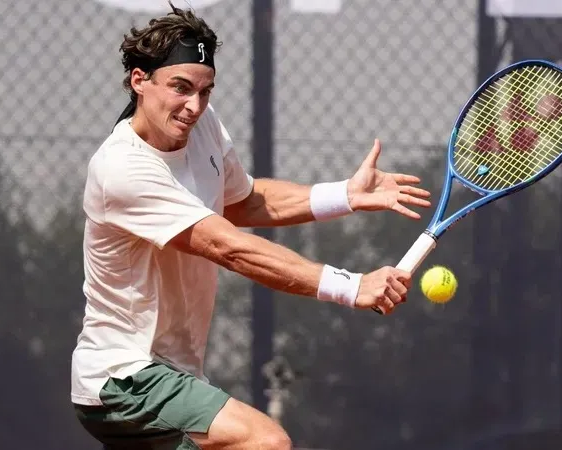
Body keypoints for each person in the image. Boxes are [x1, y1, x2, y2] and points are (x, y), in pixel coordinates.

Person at [70, 3, 432, 449]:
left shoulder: (202, 126)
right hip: (123, 375)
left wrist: (344, 196)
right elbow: (229, 247)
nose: (194, 106)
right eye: (180, 88)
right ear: (139, 80)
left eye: (205, 91)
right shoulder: (123, 169)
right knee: (265, 442)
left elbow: (241, 201)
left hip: (172, 371)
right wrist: (350, 286)